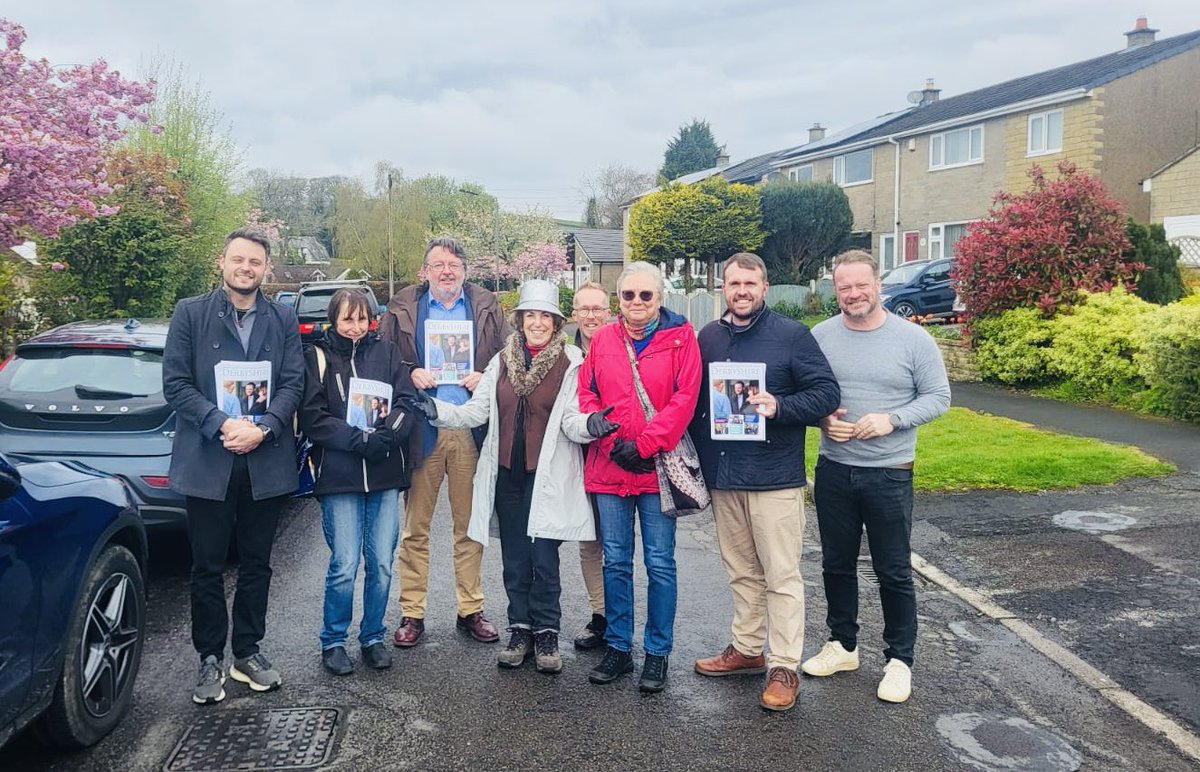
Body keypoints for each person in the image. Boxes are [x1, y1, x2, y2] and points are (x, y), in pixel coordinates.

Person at [406, 280, 619, 674]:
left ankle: (547, 633)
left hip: (547, 476)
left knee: (544, 560)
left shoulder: (572, 361)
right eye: (530, 315)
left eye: (545, 316)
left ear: (556, 322)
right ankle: (520, 629)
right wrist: (432, 408)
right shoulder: (502, 360)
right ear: (520, 320)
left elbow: (572, 421)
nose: (537, 323)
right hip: (508, 476)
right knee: (515, 559)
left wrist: (593, 424)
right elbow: (475, 412)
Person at [689, 253, 840, 712]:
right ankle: (748, 648)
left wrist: (780, 407)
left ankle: (783, 666)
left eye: (750, 283)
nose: (741, 290)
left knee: (781, 574)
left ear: (765, 287)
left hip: (774, 476)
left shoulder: (793, 336)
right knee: (741, 570)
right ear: (723, 288)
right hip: (725, 475)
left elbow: (826, 394)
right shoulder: (709, 337)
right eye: (733, 283)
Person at [803, 249, 951, 704]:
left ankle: (899, 660)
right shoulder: (821, 336)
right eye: (844, 287)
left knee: (893, 570)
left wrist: (894, 419)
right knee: (835, 564)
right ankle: (843, 644)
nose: (853, 294)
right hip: (834, 470)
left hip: (889, 473)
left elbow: (939, 397)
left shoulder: (912, 339)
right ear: (836, 288)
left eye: (860, 285)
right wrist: (822, 420)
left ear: (877, 285)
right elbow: (804, 394)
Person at [162, 228, 304, 704]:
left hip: (265, 459)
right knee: (205, 566)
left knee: (257, 563)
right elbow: (177, 384)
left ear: (266, 268)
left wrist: (263, 427)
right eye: (239, 259)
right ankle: (208, 657)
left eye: (256, 262)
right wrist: (223, 424)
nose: (247, 268)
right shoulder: (190, 314)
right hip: (209, 458)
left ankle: (247, 650)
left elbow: (292, 382)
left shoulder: (282, 318)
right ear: (222, 261)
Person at [577, 262, 700, 693]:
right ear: (619, 299)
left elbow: (685, 399)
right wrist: (610, 441)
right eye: (628, 296)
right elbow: (587, 390)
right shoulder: (605, 338)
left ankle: (658, 653)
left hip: (655, 469)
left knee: (660, 563)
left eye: (645, 296)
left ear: (659, 298)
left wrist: (645, 446)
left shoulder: (682, 338)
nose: (636, 304)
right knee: (615, 560)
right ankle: (618, 648)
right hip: (611, 466)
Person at [379, 237, 509, 647]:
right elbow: (382, 360)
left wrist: (486, 374)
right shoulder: (403, 308)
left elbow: (510, 355)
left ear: (465, 270)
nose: (447, 271)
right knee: (415, 527)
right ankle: (412, 612)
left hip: (470, 427)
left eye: (454, 264)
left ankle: (470, 607)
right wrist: (410, 370)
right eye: (438, 265)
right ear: (425, 271)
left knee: (468, 527)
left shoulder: (487, 306)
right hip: (423, 427)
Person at [299, 288, 416, 676]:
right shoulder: (316, 358)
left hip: (384, 471)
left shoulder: (387, 353)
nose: (355, 327)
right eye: (347, 319)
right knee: (345, 563)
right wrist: (358, 440)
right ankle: (333, 640)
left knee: (381, 563)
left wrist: (387, 437)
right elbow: (314, 418)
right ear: (334, 319)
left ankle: (372, 636)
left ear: (372, 320)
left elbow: (405, 402)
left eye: (362, 319)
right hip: (340, 475)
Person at [569, 281, 611, 650]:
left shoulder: (618, 346)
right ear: (574, 314)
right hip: (575, 458)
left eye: (598, 308)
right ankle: (600, 615)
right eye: (584, 309)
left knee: (616, 543)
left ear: (608, 312)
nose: (591, 315)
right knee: (589, 542)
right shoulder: (565, 353)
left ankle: (619, 616)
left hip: (614, 457)